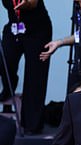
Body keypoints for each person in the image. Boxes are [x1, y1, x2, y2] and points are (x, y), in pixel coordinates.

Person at [0, 0, 52, 134]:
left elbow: (33, 3)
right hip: (14, 27)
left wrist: (27, 3)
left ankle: (32, 125)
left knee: (35, 76)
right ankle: (8, 87)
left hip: (38, 30)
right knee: (5, 60)